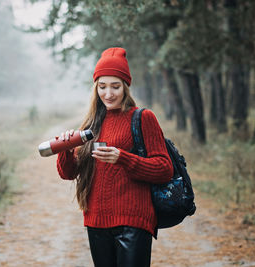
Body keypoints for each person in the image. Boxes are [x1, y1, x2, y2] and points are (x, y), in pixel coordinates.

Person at [56, 47, 173, 267]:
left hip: (134, 222)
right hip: (96, 221)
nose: (108, 93)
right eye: (102, 86)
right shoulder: (91, 124)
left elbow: (164, 168)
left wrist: (123, 158)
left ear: (126, 87)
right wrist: (65, 148)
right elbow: (68, 174)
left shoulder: (143, 118)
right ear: (96, 87)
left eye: (115, 86)